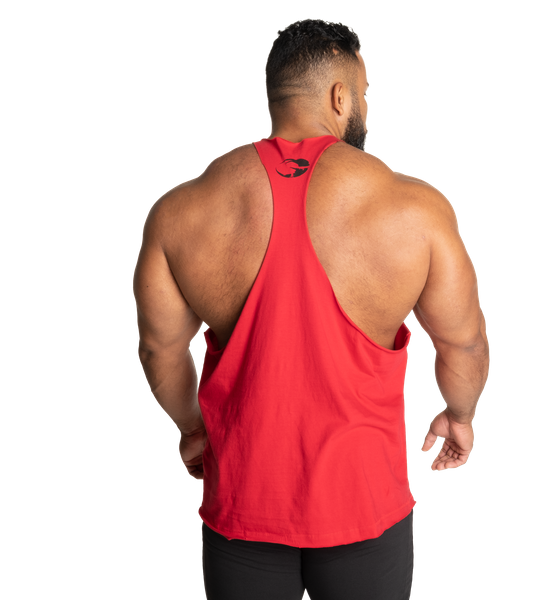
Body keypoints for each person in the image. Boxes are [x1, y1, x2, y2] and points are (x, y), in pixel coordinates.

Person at [134, 17, 490, 600]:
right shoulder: (414, 209)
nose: (365, 110)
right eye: (366, 95)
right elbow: (464, 343)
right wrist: (459, 415)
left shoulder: (181, 212)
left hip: (243, 508)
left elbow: (159, 350)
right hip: (365, 512)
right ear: (340, 96)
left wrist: (194, 428)